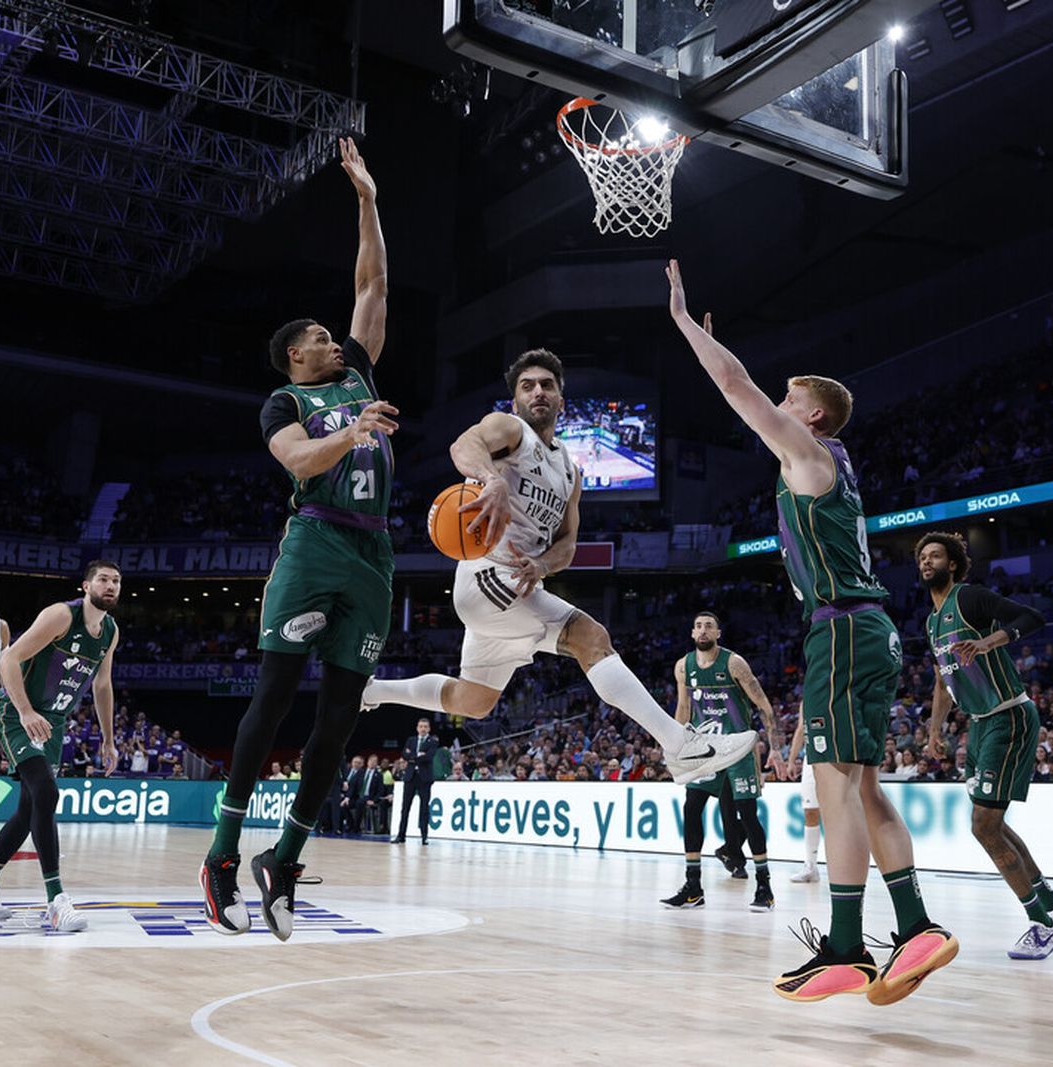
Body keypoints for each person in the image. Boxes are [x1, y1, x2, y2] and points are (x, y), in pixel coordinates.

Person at [666, 259, 955, 1007]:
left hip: (843, 631)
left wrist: (685, 326)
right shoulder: (834, 462)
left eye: (791, 397)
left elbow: (735, 388)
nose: (778, 402)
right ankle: (918, 927)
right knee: (863, 786)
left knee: (837, 790)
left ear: (814, 416)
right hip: (869, 629)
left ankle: (849, 946)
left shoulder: (809, 454)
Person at [360, 349, 755, 788]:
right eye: (527, 386)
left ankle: (372, 690)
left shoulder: (570, 470)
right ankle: (680, 746)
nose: (538, 392)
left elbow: (568, 544)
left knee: (473, 702)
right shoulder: (509, 430)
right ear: (515, 401)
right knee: (591, 638)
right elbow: (463, 444)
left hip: (515, 585)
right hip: (488, 574)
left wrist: (543, 563)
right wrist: (492, 480)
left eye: (547, 385)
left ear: (562, 399)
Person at [200, 138, 396, 943]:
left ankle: (284, 858)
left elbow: (372, 282)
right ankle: (220, 853)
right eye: (320, 335)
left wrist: (367, 200)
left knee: (341, 717)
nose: (333, 338)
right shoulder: (283, 402)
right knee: (275, 694)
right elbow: (297, 462)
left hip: (375, 552)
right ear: (295, 355)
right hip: (314, 541)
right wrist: (349, 435)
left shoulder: (359, 373)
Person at [917, 532, 1053, 960]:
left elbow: (1031, 617)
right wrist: (935, 731)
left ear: (952, 564)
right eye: (921, 557)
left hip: (1008, 714)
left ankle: (1042, 925)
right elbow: (942, 679)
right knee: (993, 824)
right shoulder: (932, 622)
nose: (926, 561)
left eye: (934, 555)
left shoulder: (969, 599)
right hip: (980, 722)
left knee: (983, 827)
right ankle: (1051, 904)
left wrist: (989, 641)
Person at [0, 561, 121, 932]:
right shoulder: (61, 616)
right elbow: (8, 659)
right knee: (47, 794)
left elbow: (102, 685)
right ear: (86, 585)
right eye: (103, 579)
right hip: (17, 713)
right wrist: (25, 710)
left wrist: (109, 740)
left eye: (116, 581)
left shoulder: (110, 631)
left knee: (29, 808)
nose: (110, 585)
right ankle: (56, 900)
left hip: (53, 720)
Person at [661, 612, 787, 912]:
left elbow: (764, 706)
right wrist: (676, 748)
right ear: (692, 633)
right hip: (705, 749)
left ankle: (764, 887)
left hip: (739, 747)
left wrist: (775, 748)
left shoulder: (734, 663)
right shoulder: (683, 666)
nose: (703, 630)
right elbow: (683, 706)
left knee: (747, 815)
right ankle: (693, 887)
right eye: (699, 626)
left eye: (709, 626)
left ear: (718, 633)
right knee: (691, 810)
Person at [784, 714, 822, 884]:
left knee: (839, 813)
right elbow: (801, 728)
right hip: (812, 757)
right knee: (810, 812)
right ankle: (811, 866)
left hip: (836, 755)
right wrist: (791, 760)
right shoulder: (809, 693)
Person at [393, 718, 437, 844]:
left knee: (424, 808)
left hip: (424, 778)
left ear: (429, 729)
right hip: (410, 777)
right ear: (417, 728)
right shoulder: (411, 740)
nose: (423, 729)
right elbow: (405, 754)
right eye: (421, 726)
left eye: (425, 726)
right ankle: (401, 835)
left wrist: (413, 757)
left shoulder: (432, 741)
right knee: (405, 807)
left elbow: (428, 757)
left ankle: (424, 837)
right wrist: (418, 755)